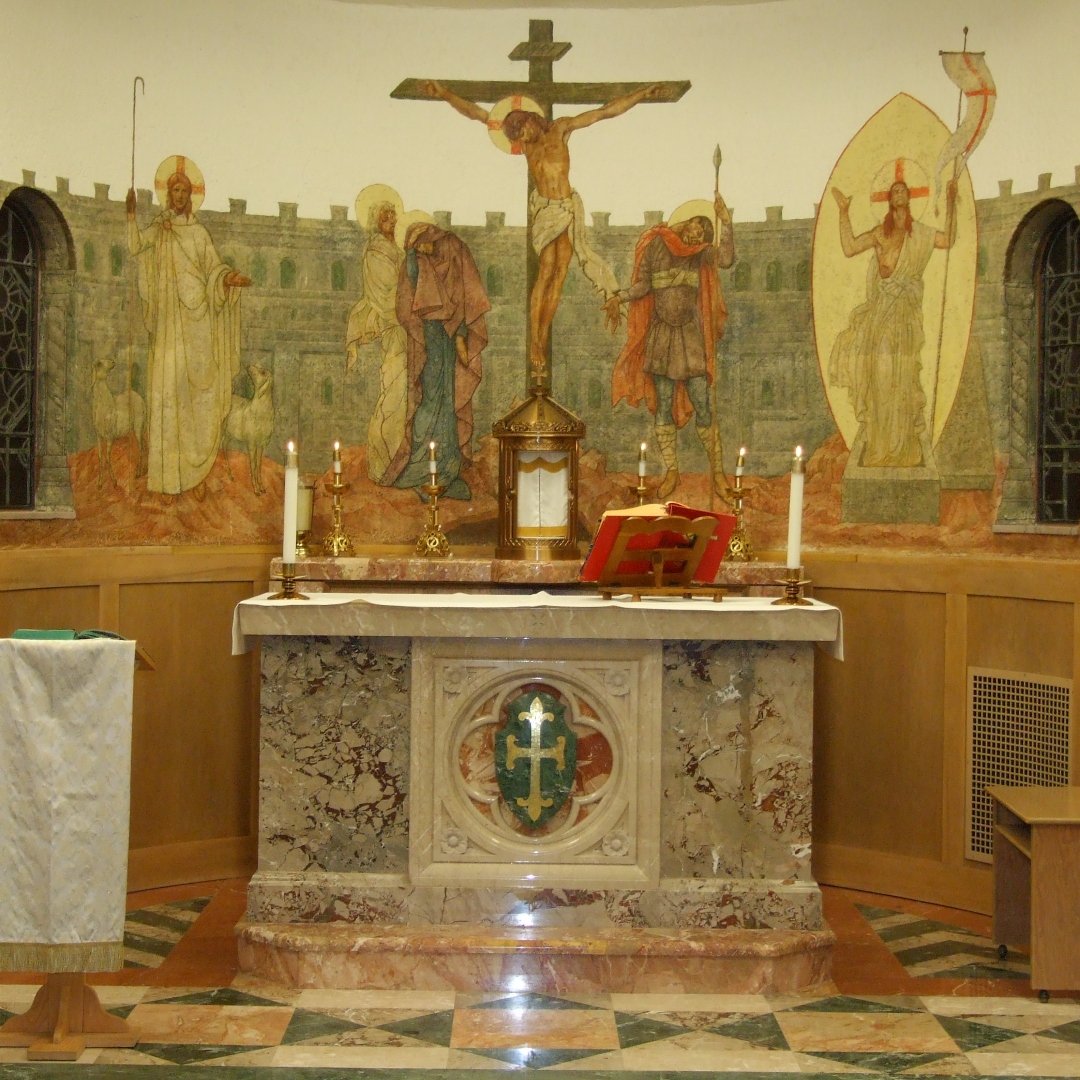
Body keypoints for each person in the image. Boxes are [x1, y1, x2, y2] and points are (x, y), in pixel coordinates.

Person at [420, 79, 664, 380]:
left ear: (530, 120)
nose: (521, 137)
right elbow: (478, 115)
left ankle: (543, 332)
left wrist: (640, 94)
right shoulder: (527, 148)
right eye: (516, 135)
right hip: (547, 212)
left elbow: (604, 112)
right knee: (546, 270)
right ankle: (535, 340)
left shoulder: (561, 129)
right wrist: (444, 94)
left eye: (522, 130)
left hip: (567, 208)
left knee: (560, 274)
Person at [126, 165, 249, 499]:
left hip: (198, 320)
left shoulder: (198, 233)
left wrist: (227, 280)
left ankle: (196, 470)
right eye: (174, 191)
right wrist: (130, 215)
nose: (179, 197)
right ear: (169, 195)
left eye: (184, 192)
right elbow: (136, 247)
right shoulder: (160, 228)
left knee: (198, 392)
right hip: (170, 323)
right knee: (169, 390)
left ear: (190, 196)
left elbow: (213, 268)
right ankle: (168, 478)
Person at [608, 195, 735, 498]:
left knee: (703, 402)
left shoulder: (700, 254)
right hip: (661, 335)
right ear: (685, 222)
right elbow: (643, 287)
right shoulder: (657, 244)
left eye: (704, 233)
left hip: (689, 336)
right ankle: (672, 472)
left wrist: (726, 224)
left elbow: (727, 260)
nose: (697, 235)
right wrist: (619, 297)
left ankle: (717, 473)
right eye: (695, 227)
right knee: (663, 404)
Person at [829, 177, 958, 467]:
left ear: (909, 199)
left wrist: (951, 202)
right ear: (889, 200)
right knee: (882, 377)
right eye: (894, 190)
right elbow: (849, 247)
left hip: (906, 316)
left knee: (903, 378)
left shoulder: (921, 234)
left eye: (903, 190)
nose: (899, 192)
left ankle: (902, 447)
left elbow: (948, 239)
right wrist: (843, 212)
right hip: (882, 313)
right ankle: (880, 444)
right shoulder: (880, 234)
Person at [381, 221, 489, 500]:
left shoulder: (449, 252)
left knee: (447, 404)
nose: (423, 248)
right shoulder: (416, 265)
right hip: (429, 344)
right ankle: (420, 468)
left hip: (446, 341)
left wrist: (460, 336)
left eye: (423, 242)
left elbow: (462, 299)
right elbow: (409, 308)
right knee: (429, 400)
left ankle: (447, 470)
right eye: (417, 246)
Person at [345, 200, 408, 483]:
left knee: (406, 394)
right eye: (385, 217)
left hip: (406, 327)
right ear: (375, 221)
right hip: (393, 326)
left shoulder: (399, 250)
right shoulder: (376, 252)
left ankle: (402, 459)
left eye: (394, 215)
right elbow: (384, 294)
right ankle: (384, 461)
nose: (392, 220)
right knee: (394, 391)